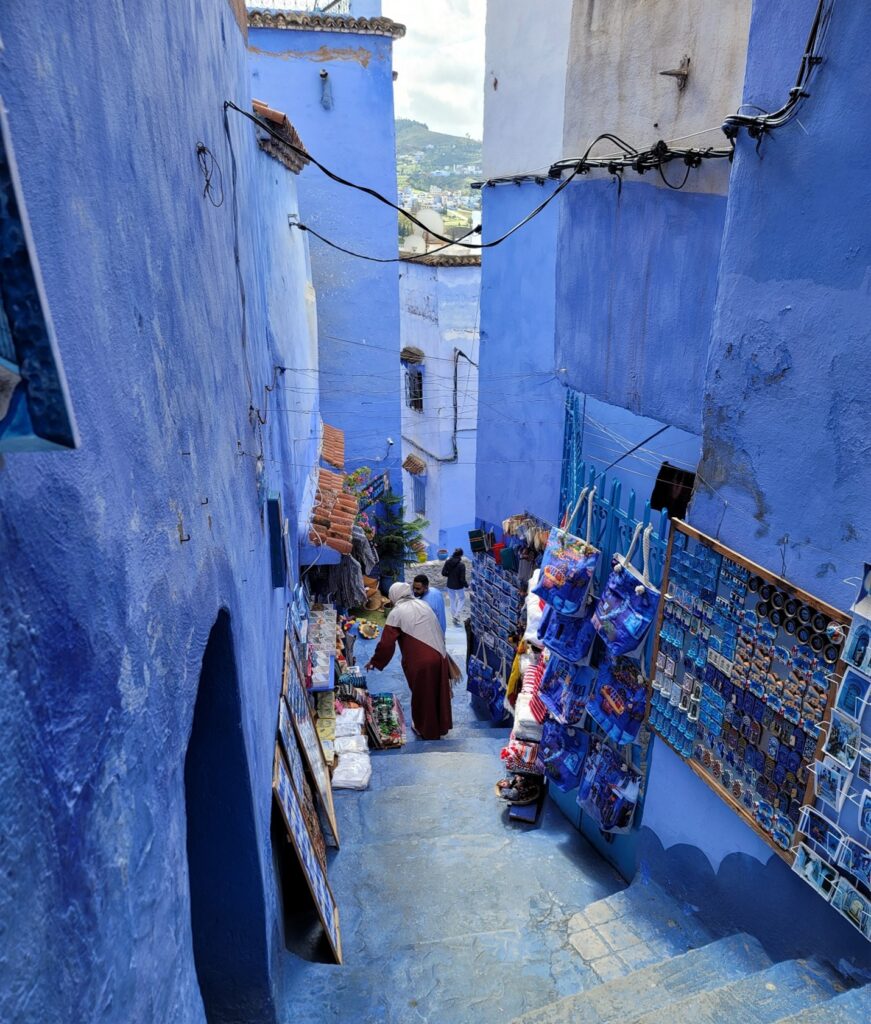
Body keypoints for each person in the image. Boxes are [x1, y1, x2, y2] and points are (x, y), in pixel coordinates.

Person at [365, 583, 452, 740]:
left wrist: (375, 661)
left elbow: (386, 644)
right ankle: (440, 727)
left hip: (421, 660)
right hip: (440, 654)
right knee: (437, 691)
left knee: (422, 695)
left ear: (394, 595)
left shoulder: (397, 612)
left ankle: (426, 730)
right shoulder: (423, 604)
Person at [441, 547, 467, 625]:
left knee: (452, 600)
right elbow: (462, 579)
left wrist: (450, 575)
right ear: (461, 555)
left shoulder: (448, 562)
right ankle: (456, 615)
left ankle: (454, 616)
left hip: (450, 584)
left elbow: (443, 573)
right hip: (459, 585)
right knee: (462, 599)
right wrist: (466, 585)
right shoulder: (461, 565)